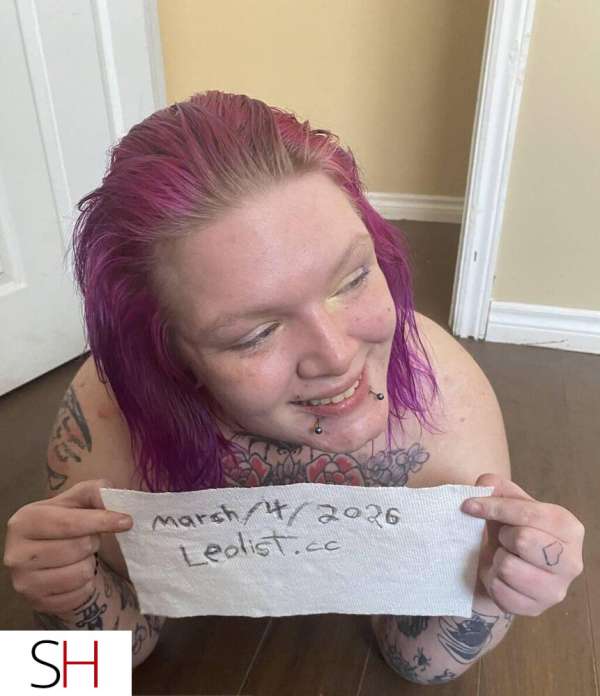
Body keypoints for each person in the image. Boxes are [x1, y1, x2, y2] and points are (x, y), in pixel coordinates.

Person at [3, 91, 584, 682]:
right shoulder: (106, 428)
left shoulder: (445, 408)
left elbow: (422, 666)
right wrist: (67, 595)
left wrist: (491, 593)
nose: (337, 355)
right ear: (167, 356)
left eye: (354, 278)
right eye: (255, 334)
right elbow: (107, 667)